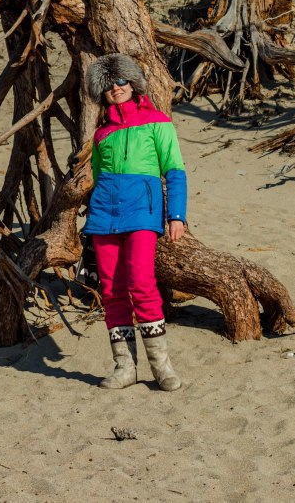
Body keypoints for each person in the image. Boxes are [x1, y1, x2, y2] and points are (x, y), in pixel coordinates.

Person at [84, 53, 187, 391]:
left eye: (121, 81)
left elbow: (174, 170)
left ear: (132, 83)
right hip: (103, 215)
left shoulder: (157, 121)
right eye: (109, 85)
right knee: (111, 291)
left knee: (142, 284)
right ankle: (124, 368)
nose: (116, 88)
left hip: (143, 212)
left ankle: (162, 368)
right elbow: (97, 176)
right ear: (102, 92)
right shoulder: (102, 134)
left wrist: (176, 216)